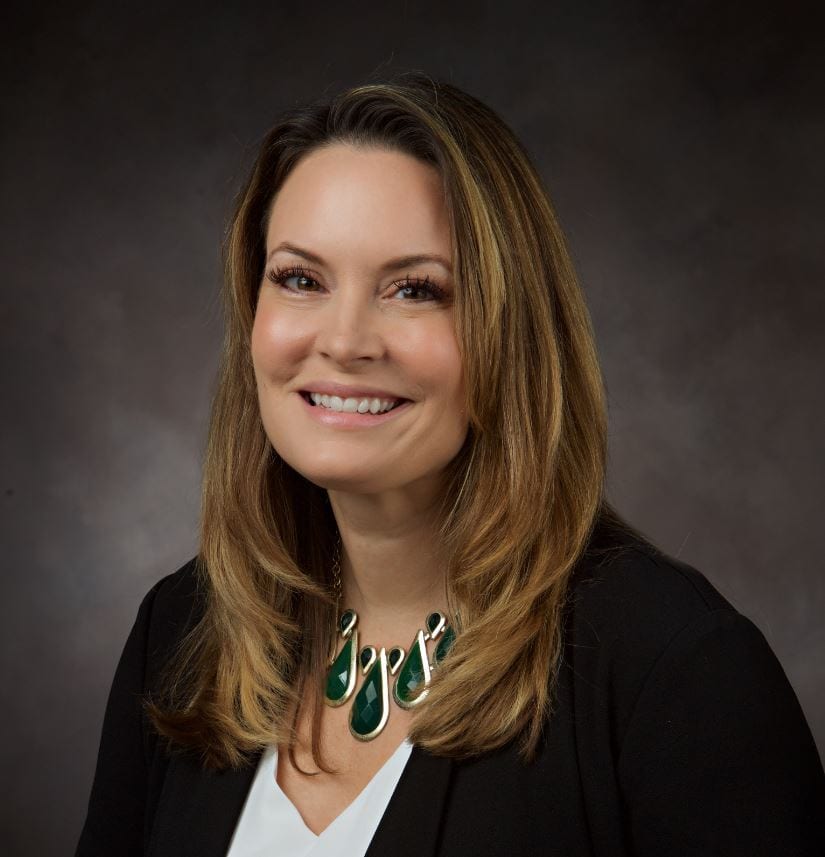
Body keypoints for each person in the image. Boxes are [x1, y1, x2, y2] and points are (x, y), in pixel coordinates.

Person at [74, 72, 825, 857]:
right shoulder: (183, 629)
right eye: (300, 278)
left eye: (414, 289)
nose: (344, 339)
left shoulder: (673, 667)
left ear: (513, 331)